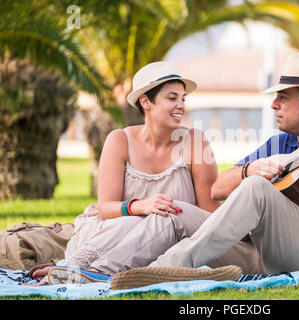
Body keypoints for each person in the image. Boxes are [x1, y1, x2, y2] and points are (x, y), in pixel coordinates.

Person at [49, 52, 299, 288]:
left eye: (283, 97)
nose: (274, 104)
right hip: (263, 253)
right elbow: (217, 189)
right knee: (176, 211)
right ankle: (100, 271)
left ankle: (166, 267)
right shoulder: (281, 144)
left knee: (258, 189)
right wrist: (249, 169)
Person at [30, 61, 232, 285]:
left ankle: (78, 272)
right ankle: (76, 268)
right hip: (113, 234)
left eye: (183, 99)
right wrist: (140, 206)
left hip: (170, 241)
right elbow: (105, 208)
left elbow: (208, 212)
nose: (181, 106)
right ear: (146, 101)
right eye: (172, 98)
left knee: (156, 219)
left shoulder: (195, 141)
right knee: (135, 221)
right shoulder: (120, 140)